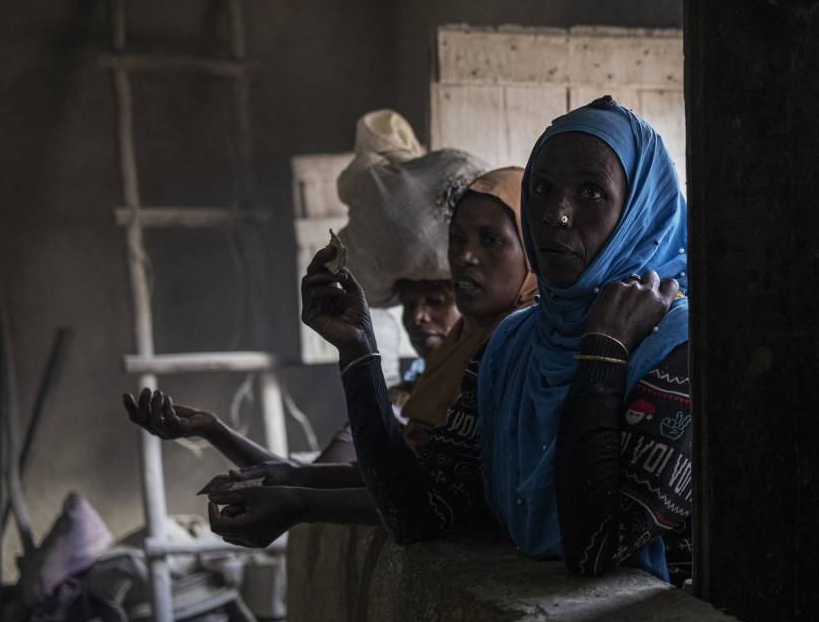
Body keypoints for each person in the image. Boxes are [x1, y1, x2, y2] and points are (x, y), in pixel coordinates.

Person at [207, 97, 693, 586]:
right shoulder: (512, 345)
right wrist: (358, 350)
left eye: (590, 192)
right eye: (541, 190)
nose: (556, 215)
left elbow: (594, 548)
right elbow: (421, 510)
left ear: (640, 211)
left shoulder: (677, 348)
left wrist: (604, 351)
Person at [122, 109, 477, 468]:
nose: (417, 317)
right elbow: (312, 479)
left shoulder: (479, 394)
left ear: (468, 302)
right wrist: (213, 430)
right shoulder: (400, 400)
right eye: (409, 304)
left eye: (436, 301)